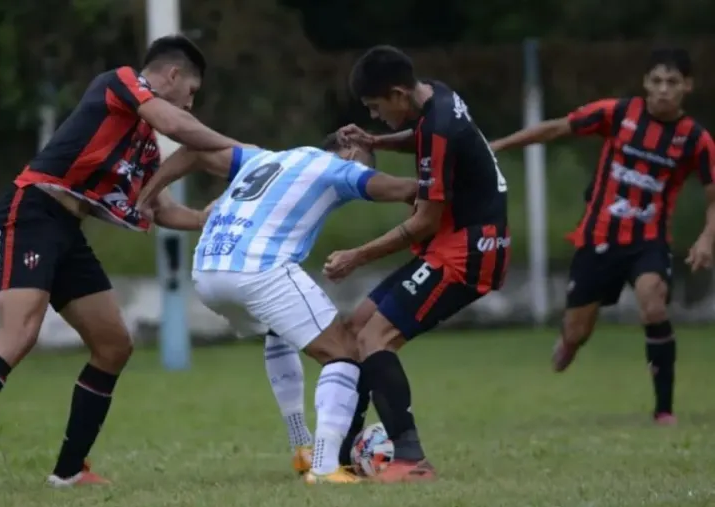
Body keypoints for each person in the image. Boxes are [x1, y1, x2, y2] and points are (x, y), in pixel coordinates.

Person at [0, 35, 240, 496]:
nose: (190, 102)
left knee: (113, 345)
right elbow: (180, 129)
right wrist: (242, 152)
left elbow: (158, 209)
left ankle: (69, 470)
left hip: (67, 231)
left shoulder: (143, 143)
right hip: (31, 211)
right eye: (191, 92)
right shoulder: (121, 83)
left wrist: (204, 219)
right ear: (172, 76)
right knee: (20, 332)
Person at [135, 134, 420, 484]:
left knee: (277, 328)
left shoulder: (263, 157)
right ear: (348, 150)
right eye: (363, 162)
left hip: (207, 272)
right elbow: (392, 187)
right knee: (344, 352)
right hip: (258, 268)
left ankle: (301, 443)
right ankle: (325, 465)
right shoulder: (334, 166)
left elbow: (194, 149)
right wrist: (439, 186)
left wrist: (146, 196)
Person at [489, 47, 715, 425]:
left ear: (687, 87)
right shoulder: (618, 114)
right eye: (656, 81)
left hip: (649, 242)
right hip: (597, 239)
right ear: (645, 83)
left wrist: (707, 237)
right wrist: (497, 146)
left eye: (672, 83)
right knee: (577, 331)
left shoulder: (695, 140)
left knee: (653, 302)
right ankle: (569, 341)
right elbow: (558, 127)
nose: (663, 90)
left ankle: (663, 410)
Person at [323, 45, 510, 483]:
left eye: (375, 108)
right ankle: (344, 452)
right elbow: (425, 140)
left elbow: (424, 220)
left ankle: (411, 460)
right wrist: (376, 142)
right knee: (357, 327)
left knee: (376, 337)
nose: (376, 117)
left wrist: (357, 255)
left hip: (468, 250)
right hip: (453, 241)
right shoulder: (437, 97)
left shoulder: (441, 122)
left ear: (397, 94)